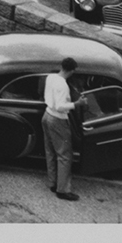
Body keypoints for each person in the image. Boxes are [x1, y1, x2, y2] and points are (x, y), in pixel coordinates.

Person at [43, 56, 81, 200]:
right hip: (58, 119)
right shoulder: (63, 85)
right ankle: (63, 190)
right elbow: (60, 106)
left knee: (50, 151)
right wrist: (77, 104)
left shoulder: (51, 77)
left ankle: (53, 183)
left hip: (47, 115)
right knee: (64, 155)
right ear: (71, 71)